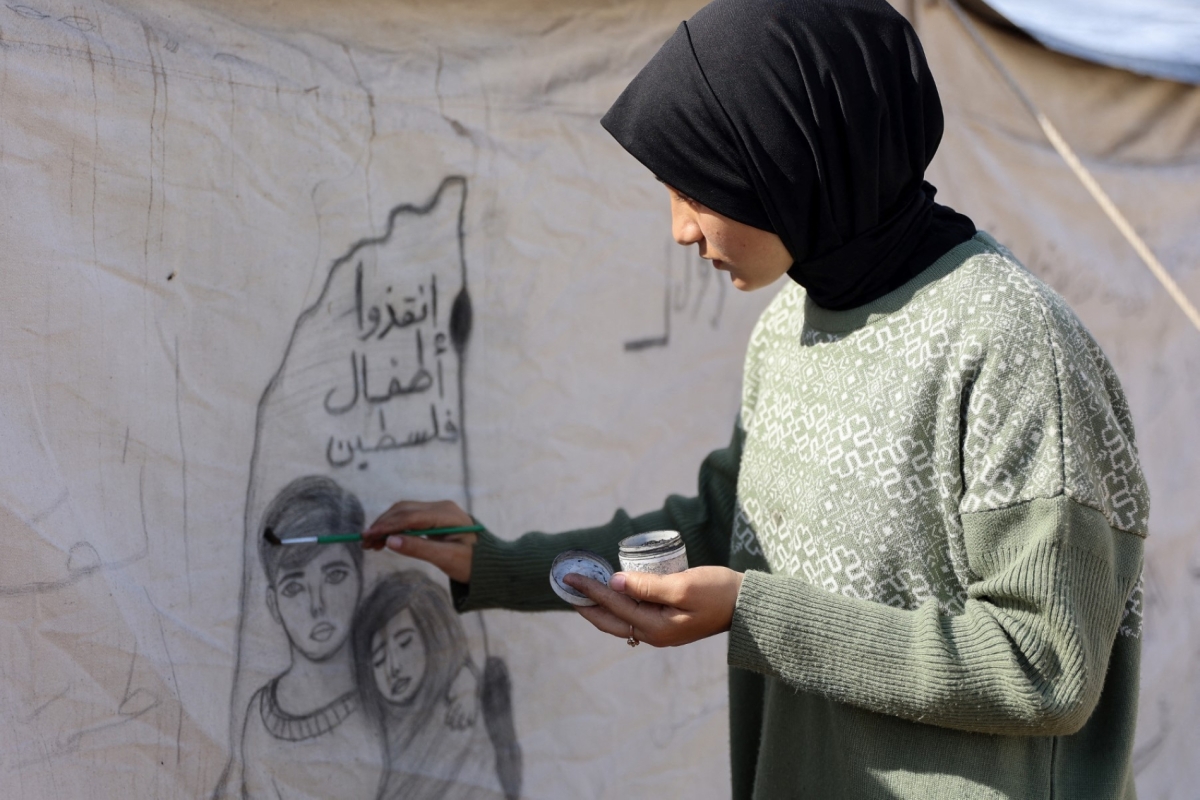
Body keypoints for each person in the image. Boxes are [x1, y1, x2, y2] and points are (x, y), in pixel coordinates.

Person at [365, 1, 1149, 797]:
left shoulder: (1014, 346)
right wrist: (498, 562)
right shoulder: (788, 327)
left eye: (697, 191)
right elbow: (726, 526)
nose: (678, 229)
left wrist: (754, 615)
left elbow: (1045, 666)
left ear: (793, 160)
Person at [240, 476, 383, 799]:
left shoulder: (386, 697)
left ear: (361, 580)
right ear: (274, 605)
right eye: (294, 587)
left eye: (334, 576)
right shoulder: (261, 715)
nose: (317, 605)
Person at [352, 571, 507, 800]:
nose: (392, 667)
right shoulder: (377, 730)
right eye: (379, 659)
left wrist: (469, 677)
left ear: (432, 635)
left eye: (405, 643)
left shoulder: (459, 701)